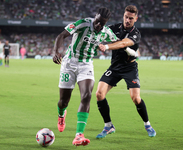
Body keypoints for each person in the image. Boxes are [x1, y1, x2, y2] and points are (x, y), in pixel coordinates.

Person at [53, 7, 118, 146]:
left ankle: (79, 135)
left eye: (103, 23)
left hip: (86, 65)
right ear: (95, 17)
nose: (99, 25)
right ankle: (61, 115)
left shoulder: (106, 32)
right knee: (63, 101)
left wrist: (112, 47)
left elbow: (118, 41)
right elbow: (61, 36)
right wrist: (56, 52)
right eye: (98, 21)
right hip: (69, 63)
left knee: (87, 95)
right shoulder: (82, 23)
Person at [95, 5, 156, 139]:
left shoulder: (135, 33)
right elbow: (100, 32)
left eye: (131, 18)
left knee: (135, 98)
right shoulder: (114, 28)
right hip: (115, 67)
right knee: (99, 94)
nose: (127, 20)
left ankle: (147, 124)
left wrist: (106, 46)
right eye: (126, 17)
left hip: (129, 68)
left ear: (136, 18)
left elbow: (123, 44)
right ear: (123, 15)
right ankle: (108, 125)